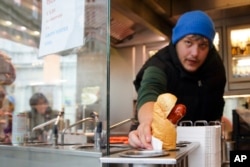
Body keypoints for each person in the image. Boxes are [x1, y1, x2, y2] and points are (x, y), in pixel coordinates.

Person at [128, 10, 226, 149]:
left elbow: (216, 103)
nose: (195, 53)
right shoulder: (159, 64)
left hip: (203, 144)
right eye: (188, 42)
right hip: (156, 141)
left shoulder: (215, 67)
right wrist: (148, 123)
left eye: (203, 45)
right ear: (176, 41)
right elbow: (150, 90)